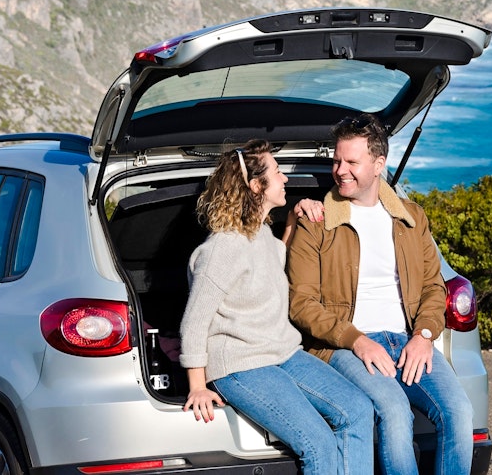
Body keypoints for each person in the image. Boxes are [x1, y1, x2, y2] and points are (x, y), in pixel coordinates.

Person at [287, 114, 474, 475]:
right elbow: (301, 304)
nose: (340, 170)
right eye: (337, 160)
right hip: (343, 346)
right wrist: (356, 341)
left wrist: (423, 336)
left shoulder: (411, 217)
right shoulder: (317, 222)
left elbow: (434, 288)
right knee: (393, 411)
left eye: (352, 162)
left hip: (408, 341)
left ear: (378, 165)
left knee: (459, 412)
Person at [179, 139, 373, 475]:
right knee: (319, 445)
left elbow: (273, 261)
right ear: (256, 186)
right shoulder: (222, 249)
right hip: (242, 365)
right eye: (278, 172)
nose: (285, 179)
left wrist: (294, 223)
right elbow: (194, 323)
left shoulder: (261, 236)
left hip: (283, 354)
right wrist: (197, 385)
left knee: (357, 409)